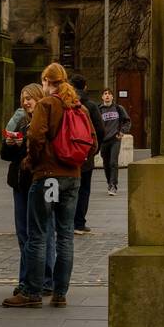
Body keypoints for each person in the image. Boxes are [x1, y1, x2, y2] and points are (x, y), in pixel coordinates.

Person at [2, 68, 95, 309]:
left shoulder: (46, 105)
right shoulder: (79, 107)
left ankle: (32, 291)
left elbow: (34, 136)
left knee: (38, 234)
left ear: (46, 82)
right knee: (65, 236)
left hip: (47, 177)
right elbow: (93, 142)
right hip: (72, 178)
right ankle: (59, 293)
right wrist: (76, 162)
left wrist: (31, 161)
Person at [0, 84, 56, 295]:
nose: (25, 102)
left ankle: (46, 280)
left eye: (29, 98)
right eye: (23, 98)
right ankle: (26, 279)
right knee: (23, 233)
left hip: (43, 183)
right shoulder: (21, 122)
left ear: (39, 98)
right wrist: (10, 144)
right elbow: (5, 155)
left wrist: (28, 146)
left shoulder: (48, 123)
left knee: (45, 232)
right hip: (20, 183)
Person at [69, 71, 105, 234]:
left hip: (67, 154)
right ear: (85, 86)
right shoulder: (90, 106)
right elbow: (100, 129)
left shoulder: (64, 103)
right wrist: (94, 150)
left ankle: (65, 221)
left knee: (69, 189)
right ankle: (79, 223)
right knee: (84, 189)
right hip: (85, 155)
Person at [98, 89, 132, 192]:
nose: (107, 96)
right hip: (103, 140)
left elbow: (127, 121)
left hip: (115, 139)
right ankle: (109, 182)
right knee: (106, 163)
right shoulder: (99, 109)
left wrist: (122, 131)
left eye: (109, 94)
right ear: (102, 97)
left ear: (112, 97)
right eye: (105, 94)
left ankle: (113, 185)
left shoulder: (118, 108)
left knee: (113, 162)